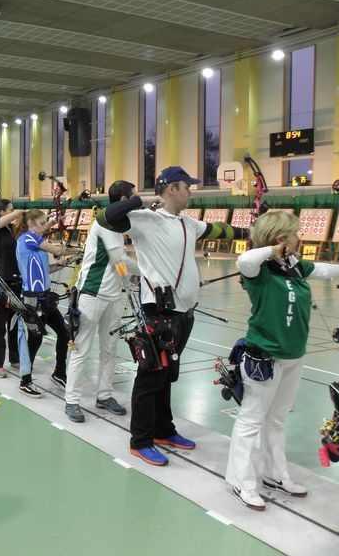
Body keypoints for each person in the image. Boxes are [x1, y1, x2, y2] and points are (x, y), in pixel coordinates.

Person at [95, 166, 249, 466]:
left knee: (166, 377)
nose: (190, 192)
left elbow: (219, 230)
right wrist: (139, 201)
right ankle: (141, 440)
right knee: (150, 378)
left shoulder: (188, 223)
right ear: (170, 189)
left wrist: (250, 232)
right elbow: (105, 217)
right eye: (186, 187)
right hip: (159, 312)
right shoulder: (145, 219)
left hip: (183, 314)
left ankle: (164, 430)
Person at [226, 211, 339, 510]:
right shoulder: (259, 270)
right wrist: (272, 250)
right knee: (251, 419)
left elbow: (325, 270)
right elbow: (244, 260)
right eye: (294, 233)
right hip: (264, 357)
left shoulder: (295, 267)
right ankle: (240, 480)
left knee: (277, 419)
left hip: (294, 355)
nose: (299, 237)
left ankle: (275, 474)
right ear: (281, 239)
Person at [65, 181, 139, 423]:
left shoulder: (118, 224)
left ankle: (104, 395)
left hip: (113, 296)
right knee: (81, 349)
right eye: (132, 198)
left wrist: (132, 277)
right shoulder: (104, 221)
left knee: (109, 349)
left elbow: (117, 264)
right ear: (123, 200)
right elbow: (119, 259)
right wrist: (148, 272)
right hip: (92, 293)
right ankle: (72, 400)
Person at [14, 210, 69, 397]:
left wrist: (67, 261)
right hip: (33, 299)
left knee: (64, 332)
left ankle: (59, 373)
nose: (45, 226)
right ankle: (25, 381)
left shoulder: (34, 241)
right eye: (42, 223)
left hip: (45, 299)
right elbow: (57, 250)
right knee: (34, 340)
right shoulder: (28, 237)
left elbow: (47, 269)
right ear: (30, 223)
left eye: (46, 223)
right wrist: (81, 251)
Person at [0, 199, 22, 377]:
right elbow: (15, 216)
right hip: (3, 282)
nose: (13, 212)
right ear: (2, 212)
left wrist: (51, 221)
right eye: (10, 209)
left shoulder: (10, 229)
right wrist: (22, 211)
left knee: (14, 324)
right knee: (0, 324)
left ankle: (15, 359)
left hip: (17, 281)